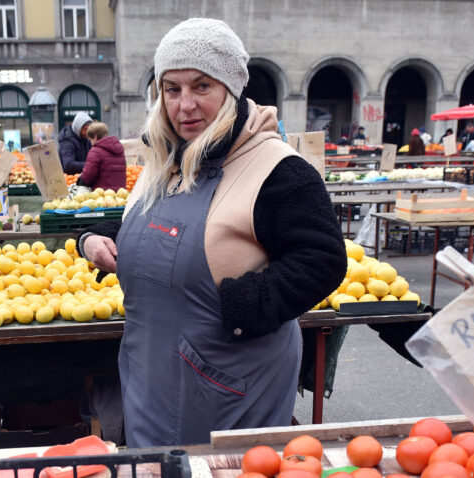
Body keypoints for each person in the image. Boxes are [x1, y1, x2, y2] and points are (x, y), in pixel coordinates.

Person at [77, 18, 347, 447]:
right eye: (172, 89)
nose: (185, 105)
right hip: (150, 374)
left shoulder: (279, 170)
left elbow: (322, 259)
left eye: (201, 86)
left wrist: (244, 306)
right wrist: (94, 237)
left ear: (231, 90)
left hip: (228, 382)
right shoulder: (165, 159)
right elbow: (156, 221)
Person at [79, 122, 127, 192]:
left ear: (95, 137)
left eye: (90, 140)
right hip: (121, 194)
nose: (91, 143)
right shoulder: (119, 149)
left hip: (103, 195)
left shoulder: (95, 151)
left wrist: (80, 180)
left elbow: (88, 177)